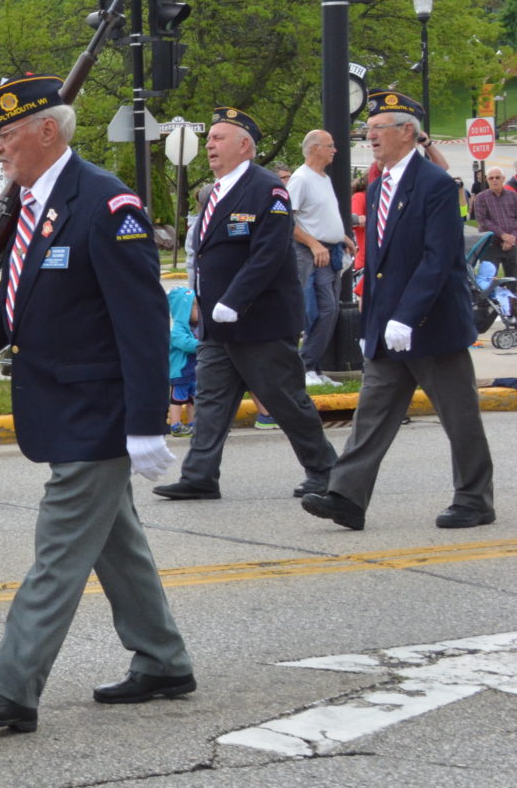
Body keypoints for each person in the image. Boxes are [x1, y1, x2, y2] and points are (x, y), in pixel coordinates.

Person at [0, 76, 193, 735]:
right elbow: (18, 307)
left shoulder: (105, 203)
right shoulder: (29, 203)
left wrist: (145, 422)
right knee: (116, 542)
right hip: (58, 402)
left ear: (50, 130)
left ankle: (11, 686)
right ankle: (163, 658)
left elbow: (142, 319)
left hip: (97, 409)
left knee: (59, 548)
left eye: (7, 133)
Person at [304, 91, 495, 532]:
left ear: (406, 132)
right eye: (367, 129)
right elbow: (382, 263)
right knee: (371, 415)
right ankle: (346, 496)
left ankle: (474, 499)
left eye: (378, 128)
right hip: (387, 326)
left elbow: (439, 258)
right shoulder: (376, 187)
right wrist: (374, 322)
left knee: (459, 416)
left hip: (430, 324)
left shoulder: (434, 185)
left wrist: (406, 317)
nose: (369, 136)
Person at [152, 108, 334, 504]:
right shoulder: (214, 191)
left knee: (285, 398)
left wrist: (234, 300)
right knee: (214, 401)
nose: (210, 145)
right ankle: (199, 476)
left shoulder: (267, 189)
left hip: (259, 322)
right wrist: (202, 301)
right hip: (218, 324)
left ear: (244, 145)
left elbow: (268, 254)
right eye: (210, 138)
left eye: (219, 138)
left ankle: (326, 471)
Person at [287, 128, 352, 385]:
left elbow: (320, 215)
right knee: (320, 310)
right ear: (314, 148)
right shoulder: (300, 179)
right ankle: (305, 366)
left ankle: (313, 367)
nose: (334, 150)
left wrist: (342, 238)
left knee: (329, 310)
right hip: (312, 254)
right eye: (330, 145)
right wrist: (314, 244)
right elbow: (285, 221)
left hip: (330, 250)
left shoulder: (322, 178)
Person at [470, 166, 517, 278]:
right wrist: (503, 235)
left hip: (513, 244)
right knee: (488, 279)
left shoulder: (513, 196)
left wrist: (512, 238)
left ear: (503, 179)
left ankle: (512, 295)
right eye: (491, 178)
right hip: (491, 245)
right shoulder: (481, 198)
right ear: (487, 180)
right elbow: (483, 221)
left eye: (497, 177)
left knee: (513, 279)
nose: (494, 180)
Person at [167, 282, 199, 437]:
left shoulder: (195, 328)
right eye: (195, 308)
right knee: (178, 399)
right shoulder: (178, 331)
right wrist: (203, 345)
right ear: (184, 310)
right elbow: (186, 344)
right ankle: (175, 425)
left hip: (193, 372)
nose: (199, 311)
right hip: (180, 372)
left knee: (193, 398)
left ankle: (194, 423)